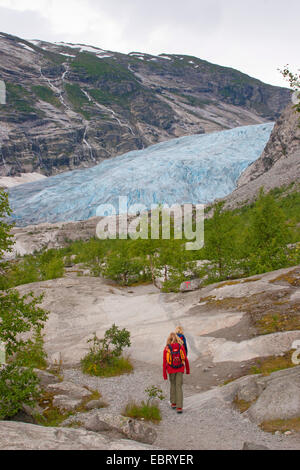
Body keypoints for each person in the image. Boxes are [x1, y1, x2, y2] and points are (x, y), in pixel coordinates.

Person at [163, 332, 190, 414]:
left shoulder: (167, 348)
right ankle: (179, 407)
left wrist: (164, 374)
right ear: (177, 338)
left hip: (171, 369)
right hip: (180, 369)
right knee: (179, 386)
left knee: (173, 385)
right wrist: (187, 370)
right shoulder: (180, 347)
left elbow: (164, 362)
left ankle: (173, 403)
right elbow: (185, 359)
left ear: (169, 339)